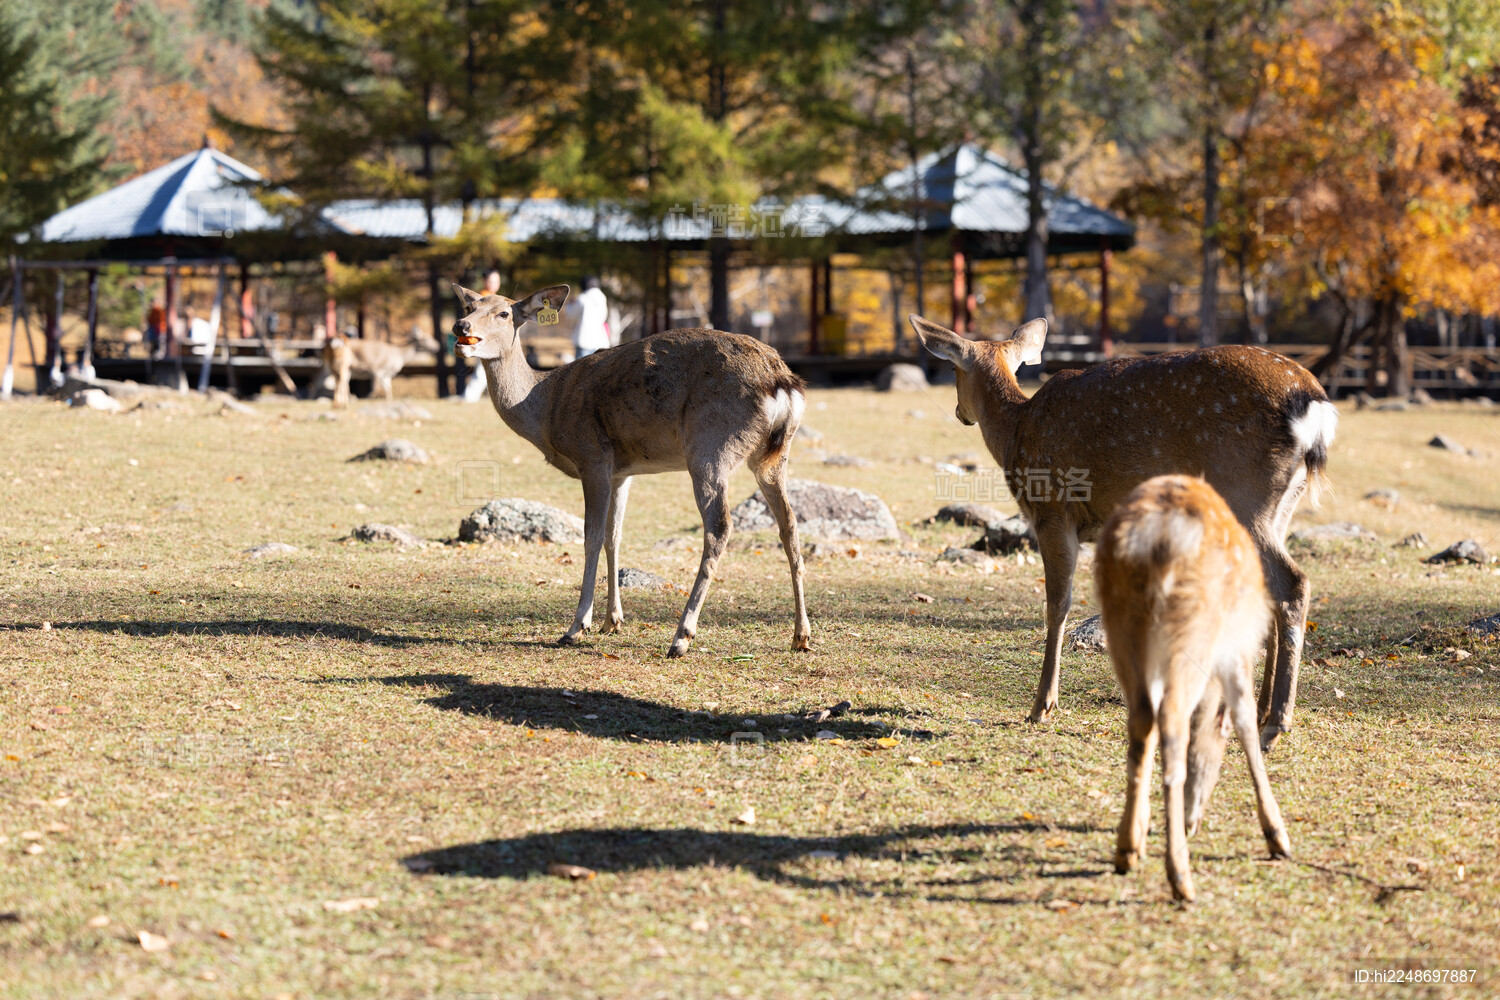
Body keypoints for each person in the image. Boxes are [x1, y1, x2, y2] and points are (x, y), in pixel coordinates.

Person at [570, 275, 610, 358]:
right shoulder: (602, 298)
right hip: (600, 342)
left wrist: (570, 305)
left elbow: (572, 316)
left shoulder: (582, 298)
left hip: (584, 341)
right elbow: (604, 317)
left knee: (581, 370)